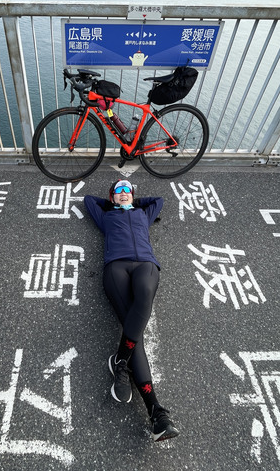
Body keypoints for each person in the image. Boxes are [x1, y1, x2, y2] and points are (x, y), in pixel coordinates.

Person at [83, 179, 180, 442]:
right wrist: (113, 204)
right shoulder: (105, 216)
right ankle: (157, 412)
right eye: (118, 191)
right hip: (116, 266)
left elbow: (158, 200)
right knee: (134, 332)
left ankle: (120, 361)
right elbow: (89, 200)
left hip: (146, 264)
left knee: (145, 295)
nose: (124, 194)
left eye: (128, 190)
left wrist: (132, 203)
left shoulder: (143, 213)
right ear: (112, 197)